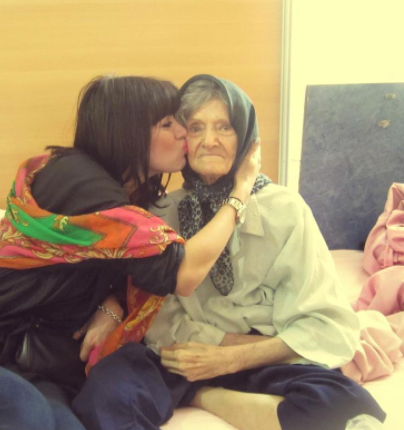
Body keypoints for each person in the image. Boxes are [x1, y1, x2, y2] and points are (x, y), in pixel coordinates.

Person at [0, 75, 261, 430]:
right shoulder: (79, 181)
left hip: (19, 361)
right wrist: (241, 191)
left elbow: (120, 270)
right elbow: (183, 274)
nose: (183, 135)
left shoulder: (124, 207)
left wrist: (112, 304)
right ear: (129, 129)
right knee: (20, 413)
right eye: (169, 123)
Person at [73, 75, 387, 430]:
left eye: (224, 127)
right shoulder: (160, 212)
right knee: (107, 387)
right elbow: (157, 318)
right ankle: (198, 390)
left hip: (259, 357)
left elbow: (326, 324)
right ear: (183, 139)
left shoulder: (285, 209)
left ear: (246, 139)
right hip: (178, 357)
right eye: (196, 127)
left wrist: (229, 359)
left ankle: (202, 395)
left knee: (340, 401)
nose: (209, 141)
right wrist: (200, 358)